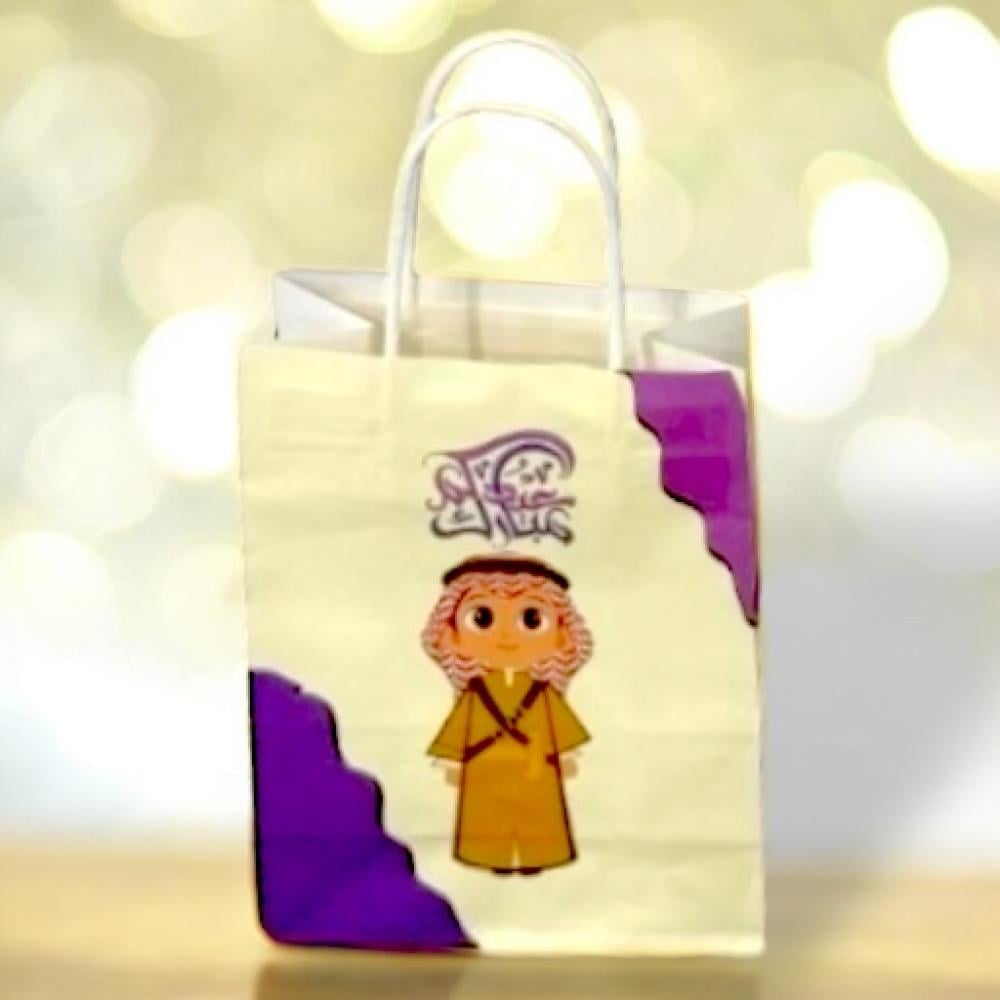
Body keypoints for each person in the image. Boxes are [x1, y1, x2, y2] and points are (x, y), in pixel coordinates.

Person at [422, 553, 593, 875]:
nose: (506, 636)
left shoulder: (542, 692)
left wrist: (567, 754)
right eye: (482, 618)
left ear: (562, 634)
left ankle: (537, 856)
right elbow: (458, 727)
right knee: (487, 814)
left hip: (537, 763)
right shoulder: (475, 692)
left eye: (531, 619)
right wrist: (451, 761)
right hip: (484, 764)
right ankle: (492, 857)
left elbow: (560, 723)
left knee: (538, 812)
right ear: (451, 632)